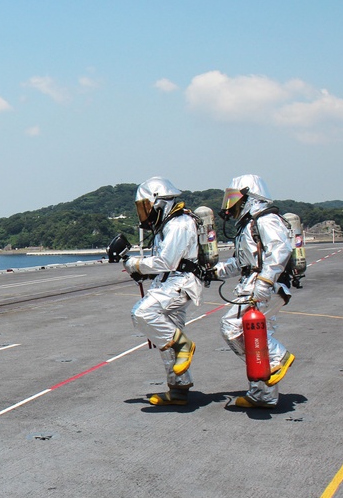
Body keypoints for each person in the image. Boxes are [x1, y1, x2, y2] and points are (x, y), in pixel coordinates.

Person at [214, 174, 295, 408]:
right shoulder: (248, 225)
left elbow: (280, 249)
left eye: (234, 197)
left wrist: (264, 283)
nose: (230, 204)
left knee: (232, 327)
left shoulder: (266, 219)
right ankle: (264, 395)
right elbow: (241, 263)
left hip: (265, 285)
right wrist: (213, 271)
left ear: (250, 196)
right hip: (254, 282)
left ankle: (278, 357)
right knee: (257, 335)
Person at [124, 177, 203, 406]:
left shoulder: (179, 223)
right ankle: (178, 389)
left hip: (180, 283)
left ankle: (184, 345)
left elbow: (167, 261)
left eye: (145, 205)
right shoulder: (167, 225)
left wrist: (136, 264)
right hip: (171, 282)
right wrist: (145, 272)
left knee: (142, 313)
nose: (144, 212)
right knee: (167, 338)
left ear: (158, 202)